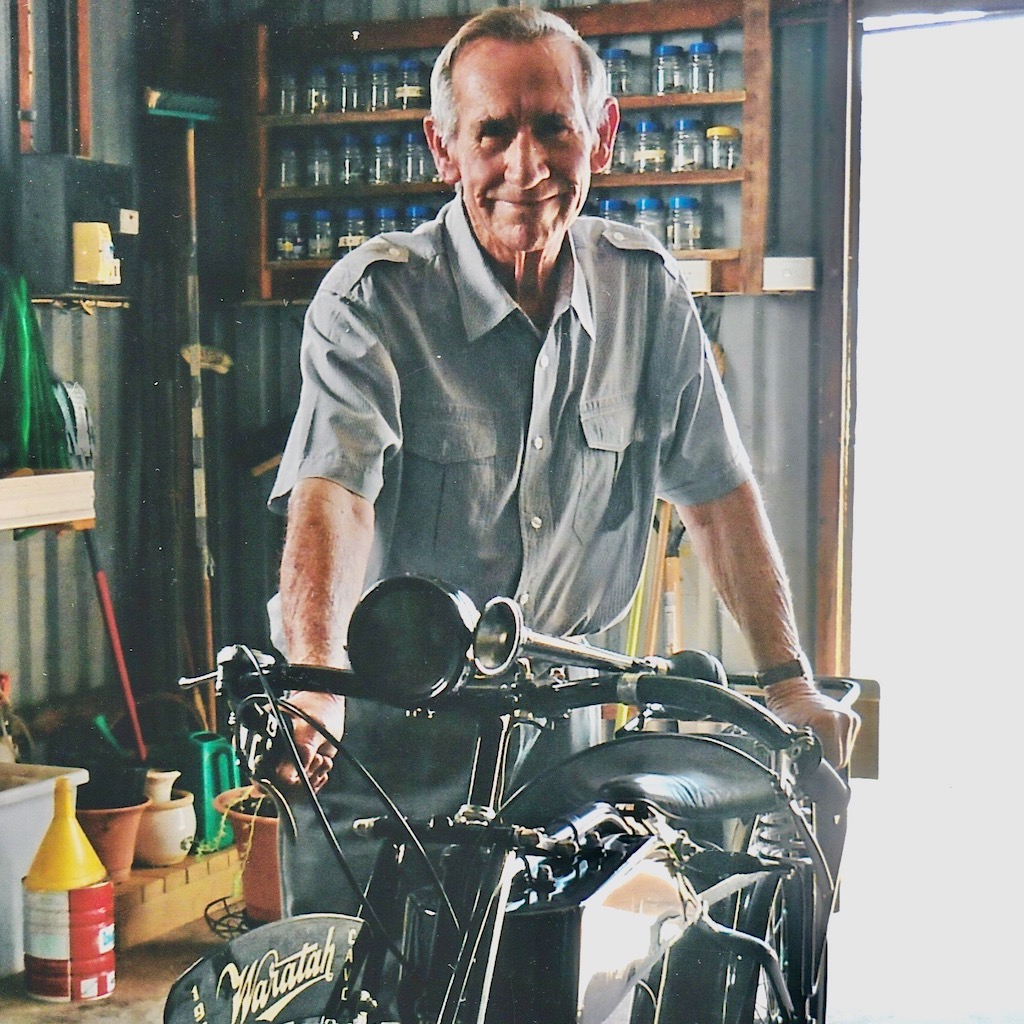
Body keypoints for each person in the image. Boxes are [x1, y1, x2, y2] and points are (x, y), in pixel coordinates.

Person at [266, 5, 859, 916]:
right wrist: (318, 688)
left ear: (604, 135)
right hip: (380, 748)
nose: (525, 168)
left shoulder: (646, 293)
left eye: (554, 128)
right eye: (493, 133)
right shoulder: (374, 300)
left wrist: (787, 682)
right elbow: (333, 496)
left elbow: (717, 496)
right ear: (443, 148)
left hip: (562, 754)